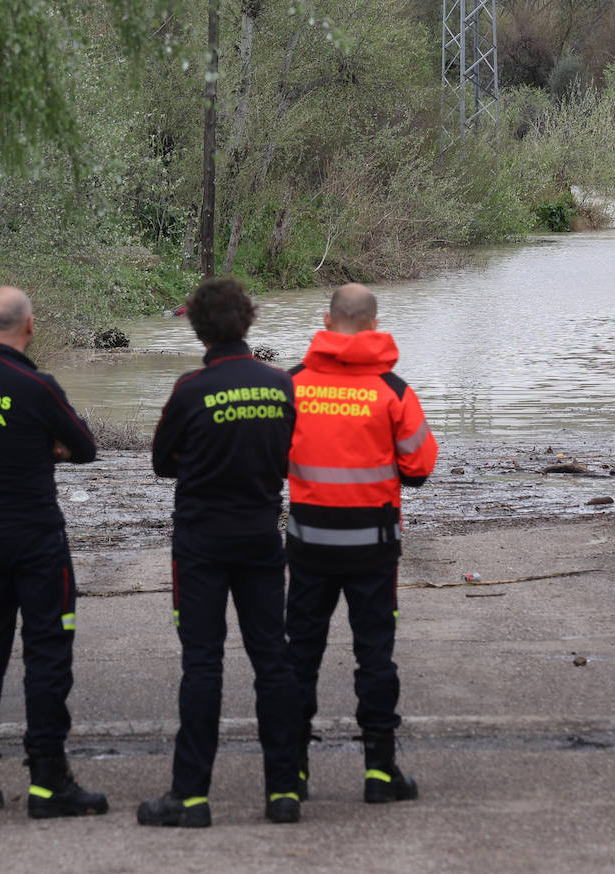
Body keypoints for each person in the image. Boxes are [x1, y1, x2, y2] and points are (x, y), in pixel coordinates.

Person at [138, 277, 304, 828]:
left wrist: (204, 461)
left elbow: (162, 462)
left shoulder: (189, 389)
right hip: (260, 537)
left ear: (197, 327)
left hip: (202, 544)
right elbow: (288, 456)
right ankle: (283, 791)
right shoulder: (280, 384)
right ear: (248, 321)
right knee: (273, 660)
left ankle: (191, 798)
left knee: (202, 665)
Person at [0, 286, 108, 819]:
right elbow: (83, 446)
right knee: (46, 654)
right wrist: (47, 445)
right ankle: (48, 780)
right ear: (30, 327)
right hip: (37, 541)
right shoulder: (37, 385)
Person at [284, 283, 437, 804]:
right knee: (375, 654)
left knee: (299, 656)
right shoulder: (393, 391)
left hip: (307, 548)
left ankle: (293, 773)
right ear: (373, 325)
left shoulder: (293, 386)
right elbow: (419, 467)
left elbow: (268, 458)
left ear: (327, 322)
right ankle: (380, 771)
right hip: (373, 549)